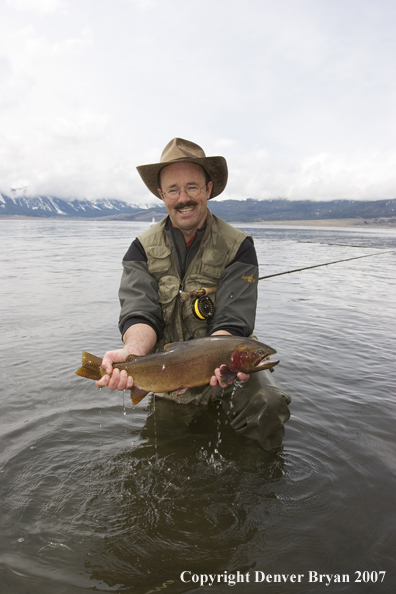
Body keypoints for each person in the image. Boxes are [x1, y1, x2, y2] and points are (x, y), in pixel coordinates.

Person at [96, 138, 291, 450]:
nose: (182, 197)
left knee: (267, 403)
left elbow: (232, 319)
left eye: (192, 187)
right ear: (161, 194)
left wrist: (221, 360)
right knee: (170, 449)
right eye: (173, 189)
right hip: (168, 370)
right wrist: (129, 354)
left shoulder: (239, 246)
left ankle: (258, 487)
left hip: (225, 362)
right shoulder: (141, 249)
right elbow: (139, 312)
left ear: (208, 189)